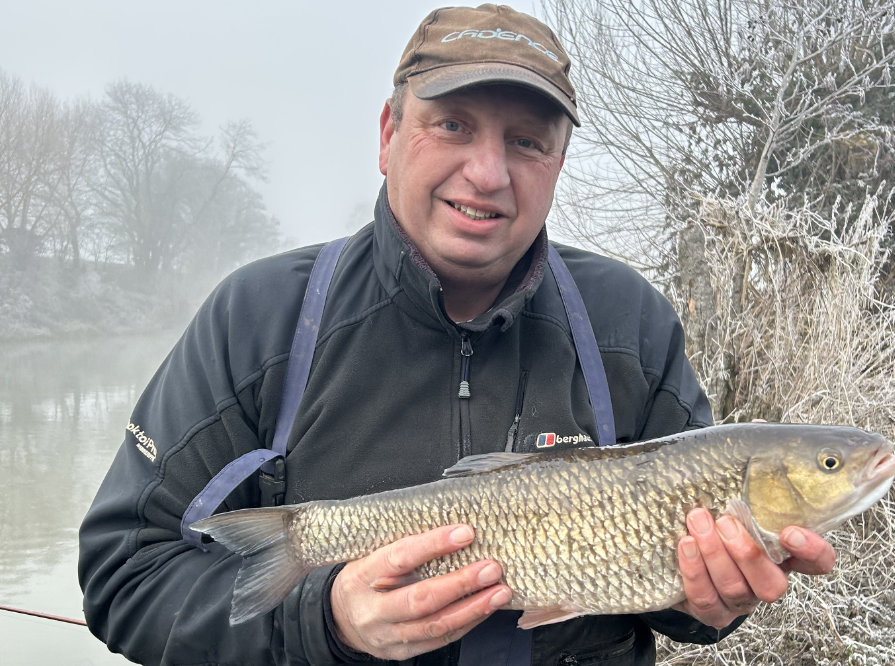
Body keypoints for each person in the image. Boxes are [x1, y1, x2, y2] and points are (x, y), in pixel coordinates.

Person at [78, 4, 835, 664]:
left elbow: (682, 598)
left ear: (558, 165)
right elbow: (126, 579)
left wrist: (709, 604)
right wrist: (327, 620)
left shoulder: (629, 322)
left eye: (527, 143)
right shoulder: (259, 317)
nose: (488, 172)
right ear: (388, 134)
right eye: (453, 125)